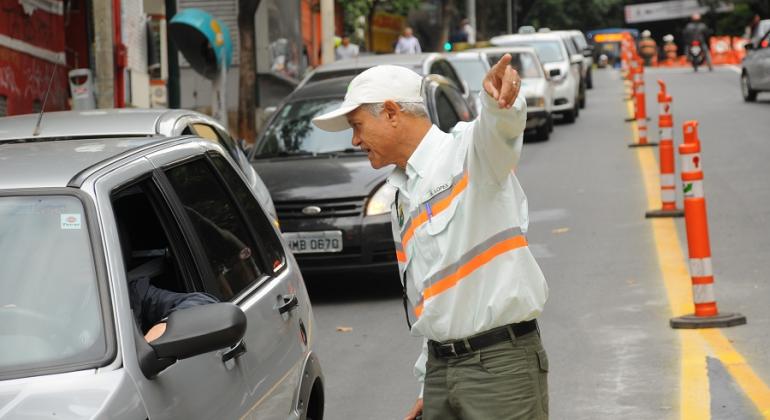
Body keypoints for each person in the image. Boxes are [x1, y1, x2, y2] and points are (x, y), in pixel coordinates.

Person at [312, 55, 549, 419]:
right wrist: (429, 381)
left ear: (391, 112)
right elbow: (428, 299)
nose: (356, 140)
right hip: (443, 370)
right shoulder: (401, 195)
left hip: (499, 368)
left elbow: (500, 129)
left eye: (357, 126)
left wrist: (501, 101)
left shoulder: (468, 152)